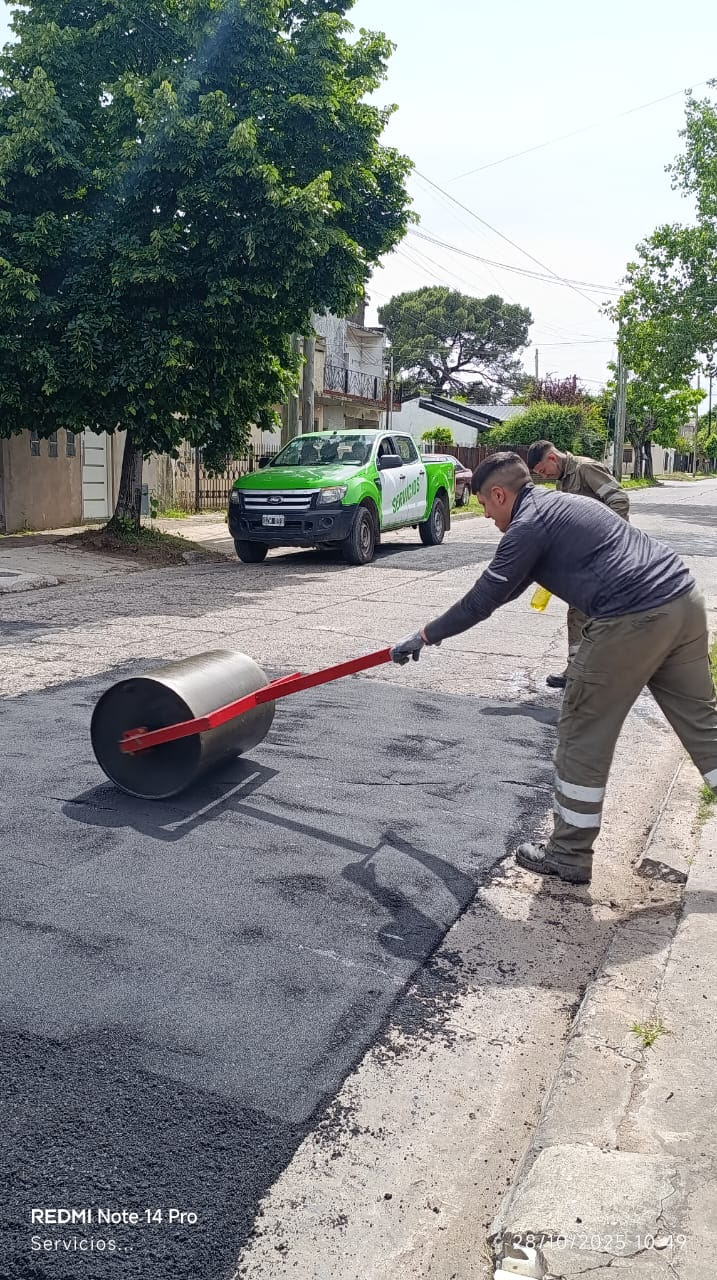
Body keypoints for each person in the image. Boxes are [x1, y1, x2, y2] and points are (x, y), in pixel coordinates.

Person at [390, 452, 717, 886]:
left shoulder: (527, 526)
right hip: (683, 601)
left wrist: (425, 635)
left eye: (485, 503)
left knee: (583, 730)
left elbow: (484, 598)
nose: (485, 513)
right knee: (702, 724)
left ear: (501, 494)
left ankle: (568, 853)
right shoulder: (559, 506)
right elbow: (510, 587)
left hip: (632, 618)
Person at [526, 439, 630, 690]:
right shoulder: (563, 479)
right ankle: (576, 670)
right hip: (583, 557)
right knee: (578, 611)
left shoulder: (585, 469)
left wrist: (604, 538)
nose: (544, 476)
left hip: (603, 554)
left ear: (552, 458)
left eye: (542, 470)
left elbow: (619, 500)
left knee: (597, 614)